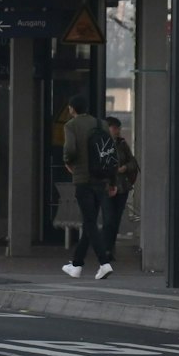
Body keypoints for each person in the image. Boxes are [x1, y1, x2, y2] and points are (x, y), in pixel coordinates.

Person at [60, 93, 113, 280]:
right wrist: (112, 181)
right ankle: (76, 265)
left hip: (83, 179)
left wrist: (68, 162)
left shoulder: (71, 125)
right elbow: (110, 153)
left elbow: (70, 150)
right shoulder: (102, 125)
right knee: (89, 222)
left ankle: (104, 262)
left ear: (72, 109)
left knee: (90, 222)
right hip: (101, 179)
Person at [98, 116, 140, 255]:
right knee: (108, 219)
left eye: (118, 128)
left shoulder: (122, 144)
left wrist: (125, 168)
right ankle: (105, 250)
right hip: (106, 187)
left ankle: (109, 249)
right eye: (114, 128)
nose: (117, 131)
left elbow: (133, 163)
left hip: (122, 187)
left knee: (115, 220)